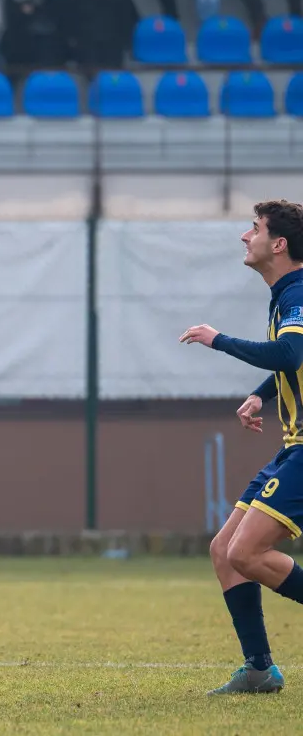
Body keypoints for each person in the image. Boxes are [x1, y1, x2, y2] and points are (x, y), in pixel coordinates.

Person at [180, 201, 303, 695]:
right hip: (293, 446)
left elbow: (290, 352)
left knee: (247, 552)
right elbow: (295, 360)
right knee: (225, 552)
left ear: (279, 244)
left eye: (254, 229)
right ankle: (259, 670)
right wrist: (262, 393)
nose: (244, 236)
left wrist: (219, 340)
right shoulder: (285, 294)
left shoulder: (297, 293)